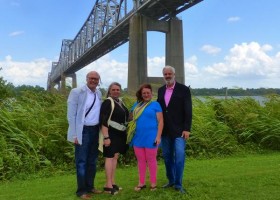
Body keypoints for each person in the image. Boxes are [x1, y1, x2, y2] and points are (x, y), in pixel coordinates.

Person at [67, 71, 103, 199]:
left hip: (95, 130)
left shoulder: (98, 93)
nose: (93, 80)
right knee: (81, 162)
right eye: (91, 78)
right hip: (83, 131)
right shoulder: (77, 92)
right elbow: (71, 115)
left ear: (99, 80)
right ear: (87, 79)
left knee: (92, 161)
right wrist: (75, 134)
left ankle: (90, 187)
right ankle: (81, 191)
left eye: (96, 79)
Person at [157, 65, 192, 194]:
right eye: (165, 74)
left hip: (179, 131)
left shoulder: (183, 90)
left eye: (169, 74)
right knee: (167, 157)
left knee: (179, 157)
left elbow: (188, 110)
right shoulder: (161, 90)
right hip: (165, 131)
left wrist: (187, 128)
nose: (167, 76)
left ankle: (178, 184)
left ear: (174, 74)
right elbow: (158, 111)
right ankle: (171, 180)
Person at [129, 84, 163, 192]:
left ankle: (153, 184)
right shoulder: (136, 105)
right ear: (141, 94)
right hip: (138, 137)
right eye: (144, 93)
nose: (146, 95)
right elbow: (131, 118)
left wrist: (158, 136)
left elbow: (161, 121)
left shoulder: (156, 105)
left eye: (148, 93)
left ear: (151, 93)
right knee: (141, 161)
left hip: (151, 137)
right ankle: (141, 183)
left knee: (152, 160)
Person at [99, 82, 129, 195]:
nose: (116, 91)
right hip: (110, 134)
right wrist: (106, 137)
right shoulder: (107, 102)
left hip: (119, 134)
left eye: (118, 89)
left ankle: (112, 182)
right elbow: (103, 120)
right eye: (114, 89)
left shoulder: (120, 102)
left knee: (115, 157)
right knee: (109, 158)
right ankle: (107, 185)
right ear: (109, 91)